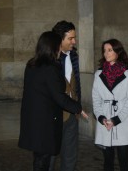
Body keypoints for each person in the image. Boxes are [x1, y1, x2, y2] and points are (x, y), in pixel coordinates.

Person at [18, 31, 84, 171]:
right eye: (59, 46)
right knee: (43, 161)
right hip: (44, 123)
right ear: (53, 47)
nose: (60, 49)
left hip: (33, 120)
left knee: (39, 158)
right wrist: (78, 108)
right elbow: (59, 96)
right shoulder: (50, 68)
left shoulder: (32, 65)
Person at [92, 39, 128, 171]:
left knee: (123, 160)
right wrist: (101, 117)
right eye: (104, 50)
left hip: (122, 120)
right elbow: (95, 98)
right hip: (105, 120)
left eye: (110, 50)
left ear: (118, 52)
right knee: (107, 160)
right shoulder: (99, 74)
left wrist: (116, 119)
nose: (106, 53)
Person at [50, 20, 82, 171]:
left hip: (72, 115)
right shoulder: (50, 59)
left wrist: (77, 105)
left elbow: (77, 83)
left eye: (74, 38)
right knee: (49, 157)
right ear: (59, 39)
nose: (74, 41)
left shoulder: (74, 56)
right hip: (53, 116)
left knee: (70, 157)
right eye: (70, 38)